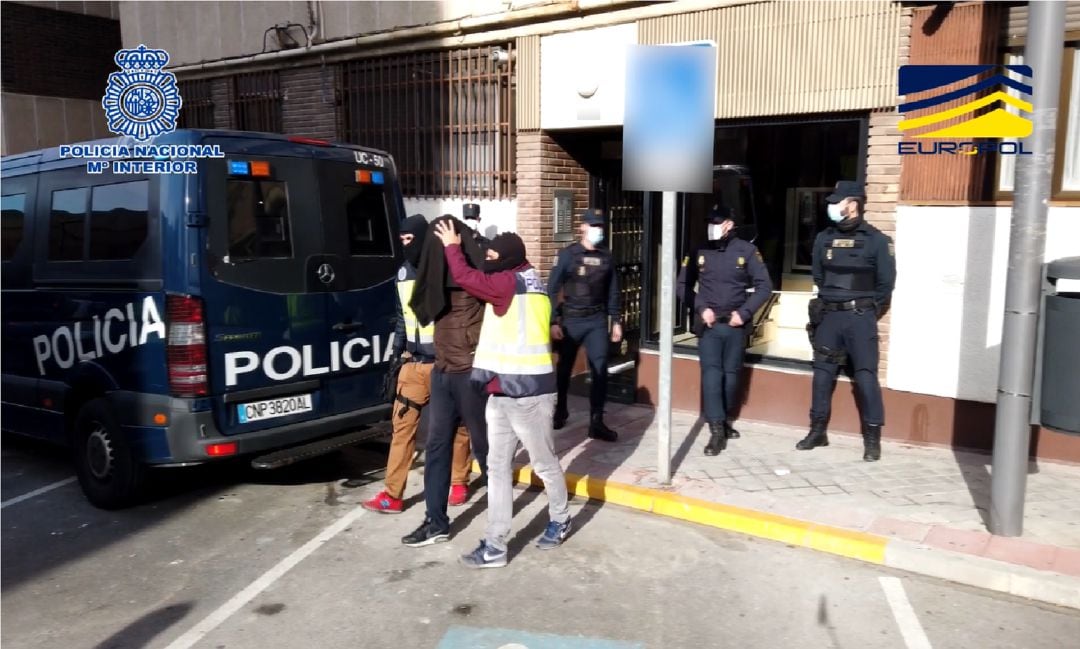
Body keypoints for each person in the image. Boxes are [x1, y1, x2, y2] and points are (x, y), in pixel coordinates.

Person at [433, 221, 572, 568]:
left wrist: (452, 246)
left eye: (494, 256)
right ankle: (495, 545)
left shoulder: (509, 283)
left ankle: (560, 517)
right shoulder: (525, 278)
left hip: (529, 394)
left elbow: (469, 279)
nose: (489, 260)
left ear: (508, 259)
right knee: (496, 467)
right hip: (501, 391)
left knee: (543, 463)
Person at [361, 214, 474, 514]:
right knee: (402, 429)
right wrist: (396, 356)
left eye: (409, 240)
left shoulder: (445, 269)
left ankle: (459, 481)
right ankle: (392, 494)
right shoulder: (401, 274)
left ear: (423, 239)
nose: (405, 246)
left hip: (444, 364)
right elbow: (402, 319)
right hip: (413, 363)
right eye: (401, 241)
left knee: (458, 426)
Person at [401, 215, 491, 547]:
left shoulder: (473, 271)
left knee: (485, 451)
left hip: (469, 373)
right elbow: (415, 258)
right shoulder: (434, 273)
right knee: (437, 447)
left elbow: (474, 279)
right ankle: (436, 523)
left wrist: (454, 247)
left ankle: (497, 529)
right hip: (442, 371)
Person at [797, 181, 896, 462]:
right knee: (822, 375)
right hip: (829, 316)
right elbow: (818, 275)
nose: (832, 206)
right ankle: (817, 431)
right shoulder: (823, 238)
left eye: (838, 201)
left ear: (852, 204)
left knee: (865, 377)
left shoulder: (878, 241)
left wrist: (863, 309)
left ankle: (873, 438)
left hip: (859, 318)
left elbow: (885, 284)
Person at [676, 206, 773, 456]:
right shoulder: (699, 250)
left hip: (734, 325)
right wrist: (700, 307)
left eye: (717, 222)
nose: (712, 226)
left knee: (731, 377)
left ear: (729, 224)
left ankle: (725, 418)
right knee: (711, 375)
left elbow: (764, 286)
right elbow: (682, 285)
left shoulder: (746, 251)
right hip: (709, 325)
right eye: (710, 222)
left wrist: (745, 312)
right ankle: (716, 430)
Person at [547, 208, 622, 441]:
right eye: (593, 225)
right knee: (564, 369)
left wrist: (616, 320)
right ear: (583, 227)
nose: (598, 230)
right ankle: (560, 410)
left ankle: (596, 421)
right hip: (571, 320)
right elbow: (551, 288)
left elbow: (613, 291)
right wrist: (553, 321)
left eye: (600, 226)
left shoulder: (606, 257)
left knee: (600, 370)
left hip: (596, 320)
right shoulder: (568, 255)